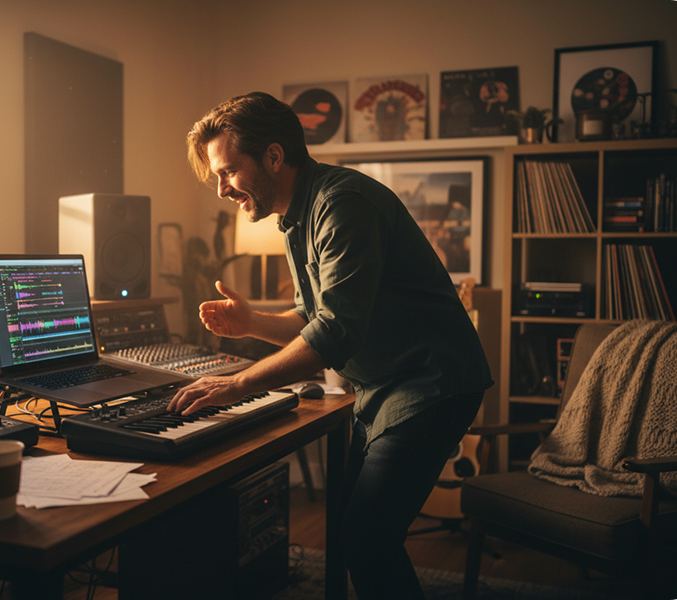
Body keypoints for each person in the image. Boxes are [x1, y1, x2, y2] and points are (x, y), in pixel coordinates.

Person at [169, 91, 493, 599]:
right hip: (387, 386)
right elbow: (313, 318)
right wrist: (252, 322)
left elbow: (335, 334)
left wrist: (238, 385)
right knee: (353, 532)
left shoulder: (342, 203)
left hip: (431, 382)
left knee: (366, 540)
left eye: (228, 171)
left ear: (273, 156)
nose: (221, 189)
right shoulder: (296, 214)